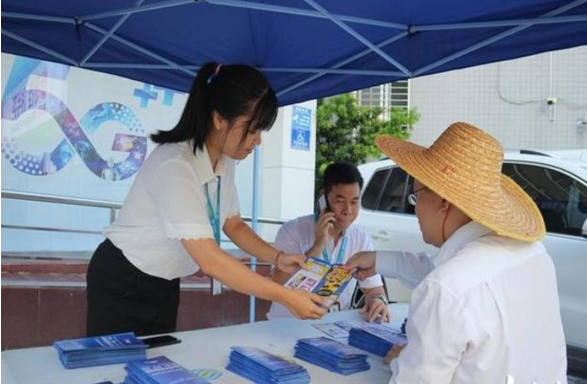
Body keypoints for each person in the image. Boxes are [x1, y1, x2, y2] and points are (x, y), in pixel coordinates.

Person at [86, 63, 326, 337]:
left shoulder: (224, 162)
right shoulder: (175, 166)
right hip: (122, 280)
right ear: (219, 119)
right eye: (252, 129)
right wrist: (285, 295)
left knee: (155, 370)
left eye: (261, 131)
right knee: (110, 373)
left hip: (164, 280)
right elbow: (210, 261)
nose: (257, 140)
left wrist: (278, 257)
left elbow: (233, 224)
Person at [344, 122, 567, 384]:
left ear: (443, 201)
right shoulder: (533, 253)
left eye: (414, 197)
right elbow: (448, 274)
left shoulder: (446, 287)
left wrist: (402, 363)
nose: (413, 209)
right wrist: (379, 261)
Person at [267, 162, 389, 322]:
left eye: (354, 201)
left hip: (332, 327)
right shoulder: (293, 230)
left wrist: (378, 300)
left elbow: (373, 289)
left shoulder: (361, 239)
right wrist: (319, 244)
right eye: (340, 201)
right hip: (288, 325)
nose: (348, 210)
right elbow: (278, 281)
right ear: (323, 200)